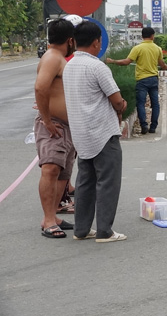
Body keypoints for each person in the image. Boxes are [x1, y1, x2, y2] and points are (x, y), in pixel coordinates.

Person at [64, 20, 128, 242]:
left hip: (81, 134)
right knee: (108, 182)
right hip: (102, 133)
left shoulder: (69, 65)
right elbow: (117, 101)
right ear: (96, 42)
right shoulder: (97, 67)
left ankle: (80, 230)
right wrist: (122, 106)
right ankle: (105, 231)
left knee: (85, 182)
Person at [34, 18, 77, 238]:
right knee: (50, 169)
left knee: (62, 174)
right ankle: (48, 220)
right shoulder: (52, 57)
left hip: (66, 127)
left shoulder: (58, 58)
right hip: (55, 125)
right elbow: (40, 88)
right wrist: (47, 120)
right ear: (71, 40)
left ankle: (53, 216)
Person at [106, 27, 167, 135]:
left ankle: (144, 125)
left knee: (141, 103)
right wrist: (165, 66)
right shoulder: (157, 48)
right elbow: (161, 63)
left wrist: (112, 61)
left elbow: (126, 62)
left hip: (142, 80)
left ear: (142, 36)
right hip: (153, 79)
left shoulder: (138, 48)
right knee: (155, 104)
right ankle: (153, 127)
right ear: (152, 36)